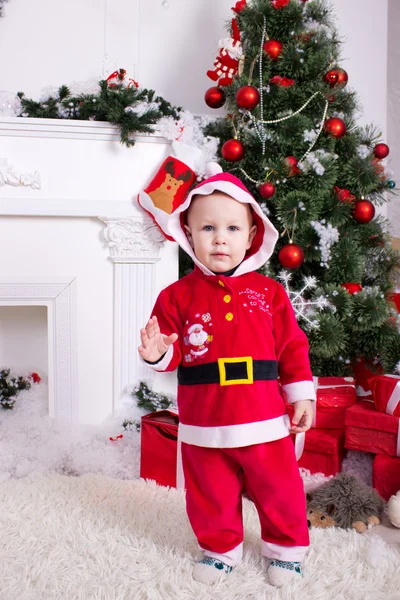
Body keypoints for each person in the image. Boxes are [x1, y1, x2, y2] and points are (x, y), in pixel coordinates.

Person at [138, 169, 316, 588]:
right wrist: (159, 352)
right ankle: (219, 550)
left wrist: (301, 395)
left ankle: (287, 550)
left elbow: (292, 347)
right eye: (208, 228)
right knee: (209, 492)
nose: (220, 238)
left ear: (253, 234)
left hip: (263, 418)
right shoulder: (176, 296)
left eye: (233, 228)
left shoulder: (269, 293)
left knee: (279, 489)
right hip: (205, 422)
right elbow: (172, 349)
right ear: (188, 232)